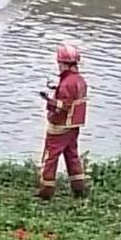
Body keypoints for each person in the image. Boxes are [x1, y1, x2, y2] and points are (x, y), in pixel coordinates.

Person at [38, 43, 88, 200]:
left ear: (64, 63)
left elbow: (62, 106)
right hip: (74, 125)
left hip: (60, 126)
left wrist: (48, 100)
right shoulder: (80, 80)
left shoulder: (66, 83)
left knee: (50, 157)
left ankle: (46, 191)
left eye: (59, 63)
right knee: (72, 155)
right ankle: (78, 189)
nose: (58, 66)